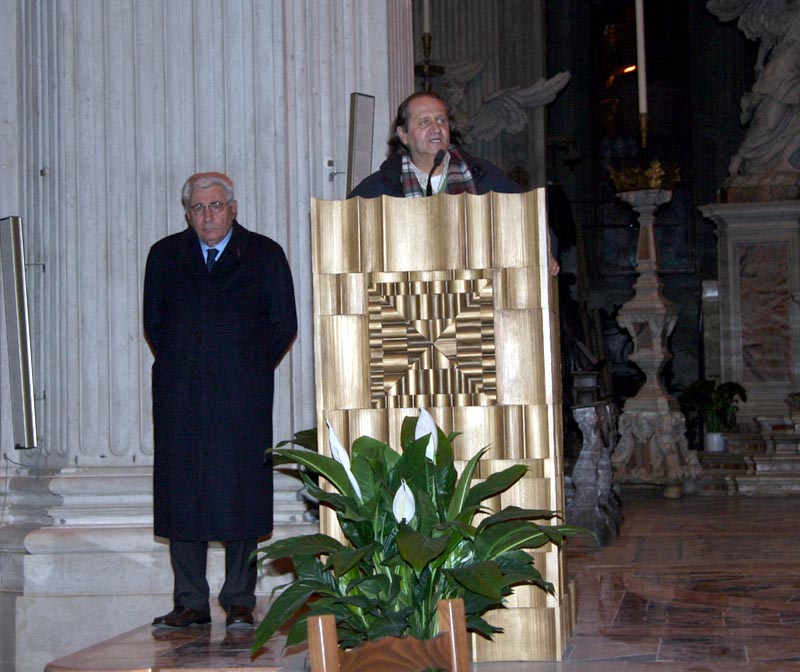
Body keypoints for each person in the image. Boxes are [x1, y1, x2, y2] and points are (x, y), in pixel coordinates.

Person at [143, 171, 297, 629]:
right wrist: (184, 361)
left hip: (241, 394)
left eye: (215, 206)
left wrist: (246, 366)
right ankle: (190, 601)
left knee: (241, 492)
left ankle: (239, 598)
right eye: (198, 208)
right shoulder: (164, 255)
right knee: (182, 492)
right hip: (180, 392)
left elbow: (283, 323)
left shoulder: (264, 254)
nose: (207, 216)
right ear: (187, 214)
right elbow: (154, 323)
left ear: (233, 208)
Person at [349, 91, 559, 274]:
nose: (436, 128)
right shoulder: (382, 186)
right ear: (403, 135)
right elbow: (349, 235)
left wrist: (544, 250)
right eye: (424, 122)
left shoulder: (482, 176)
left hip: (477, 296)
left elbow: (531, 219)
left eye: (441, 120)